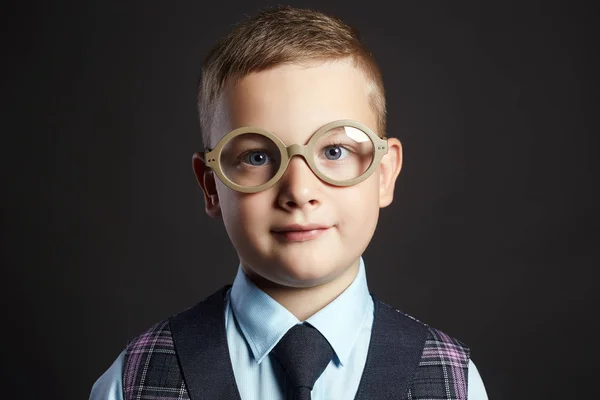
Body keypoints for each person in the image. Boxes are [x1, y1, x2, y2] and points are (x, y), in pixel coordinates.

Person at [90, 5, 488, 399]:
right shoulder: (132, 382)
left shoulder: (453, 381)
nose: (298, 191)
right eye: (257, 157)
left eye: (334, 151)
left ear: (383, 174)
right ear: (211, 185)